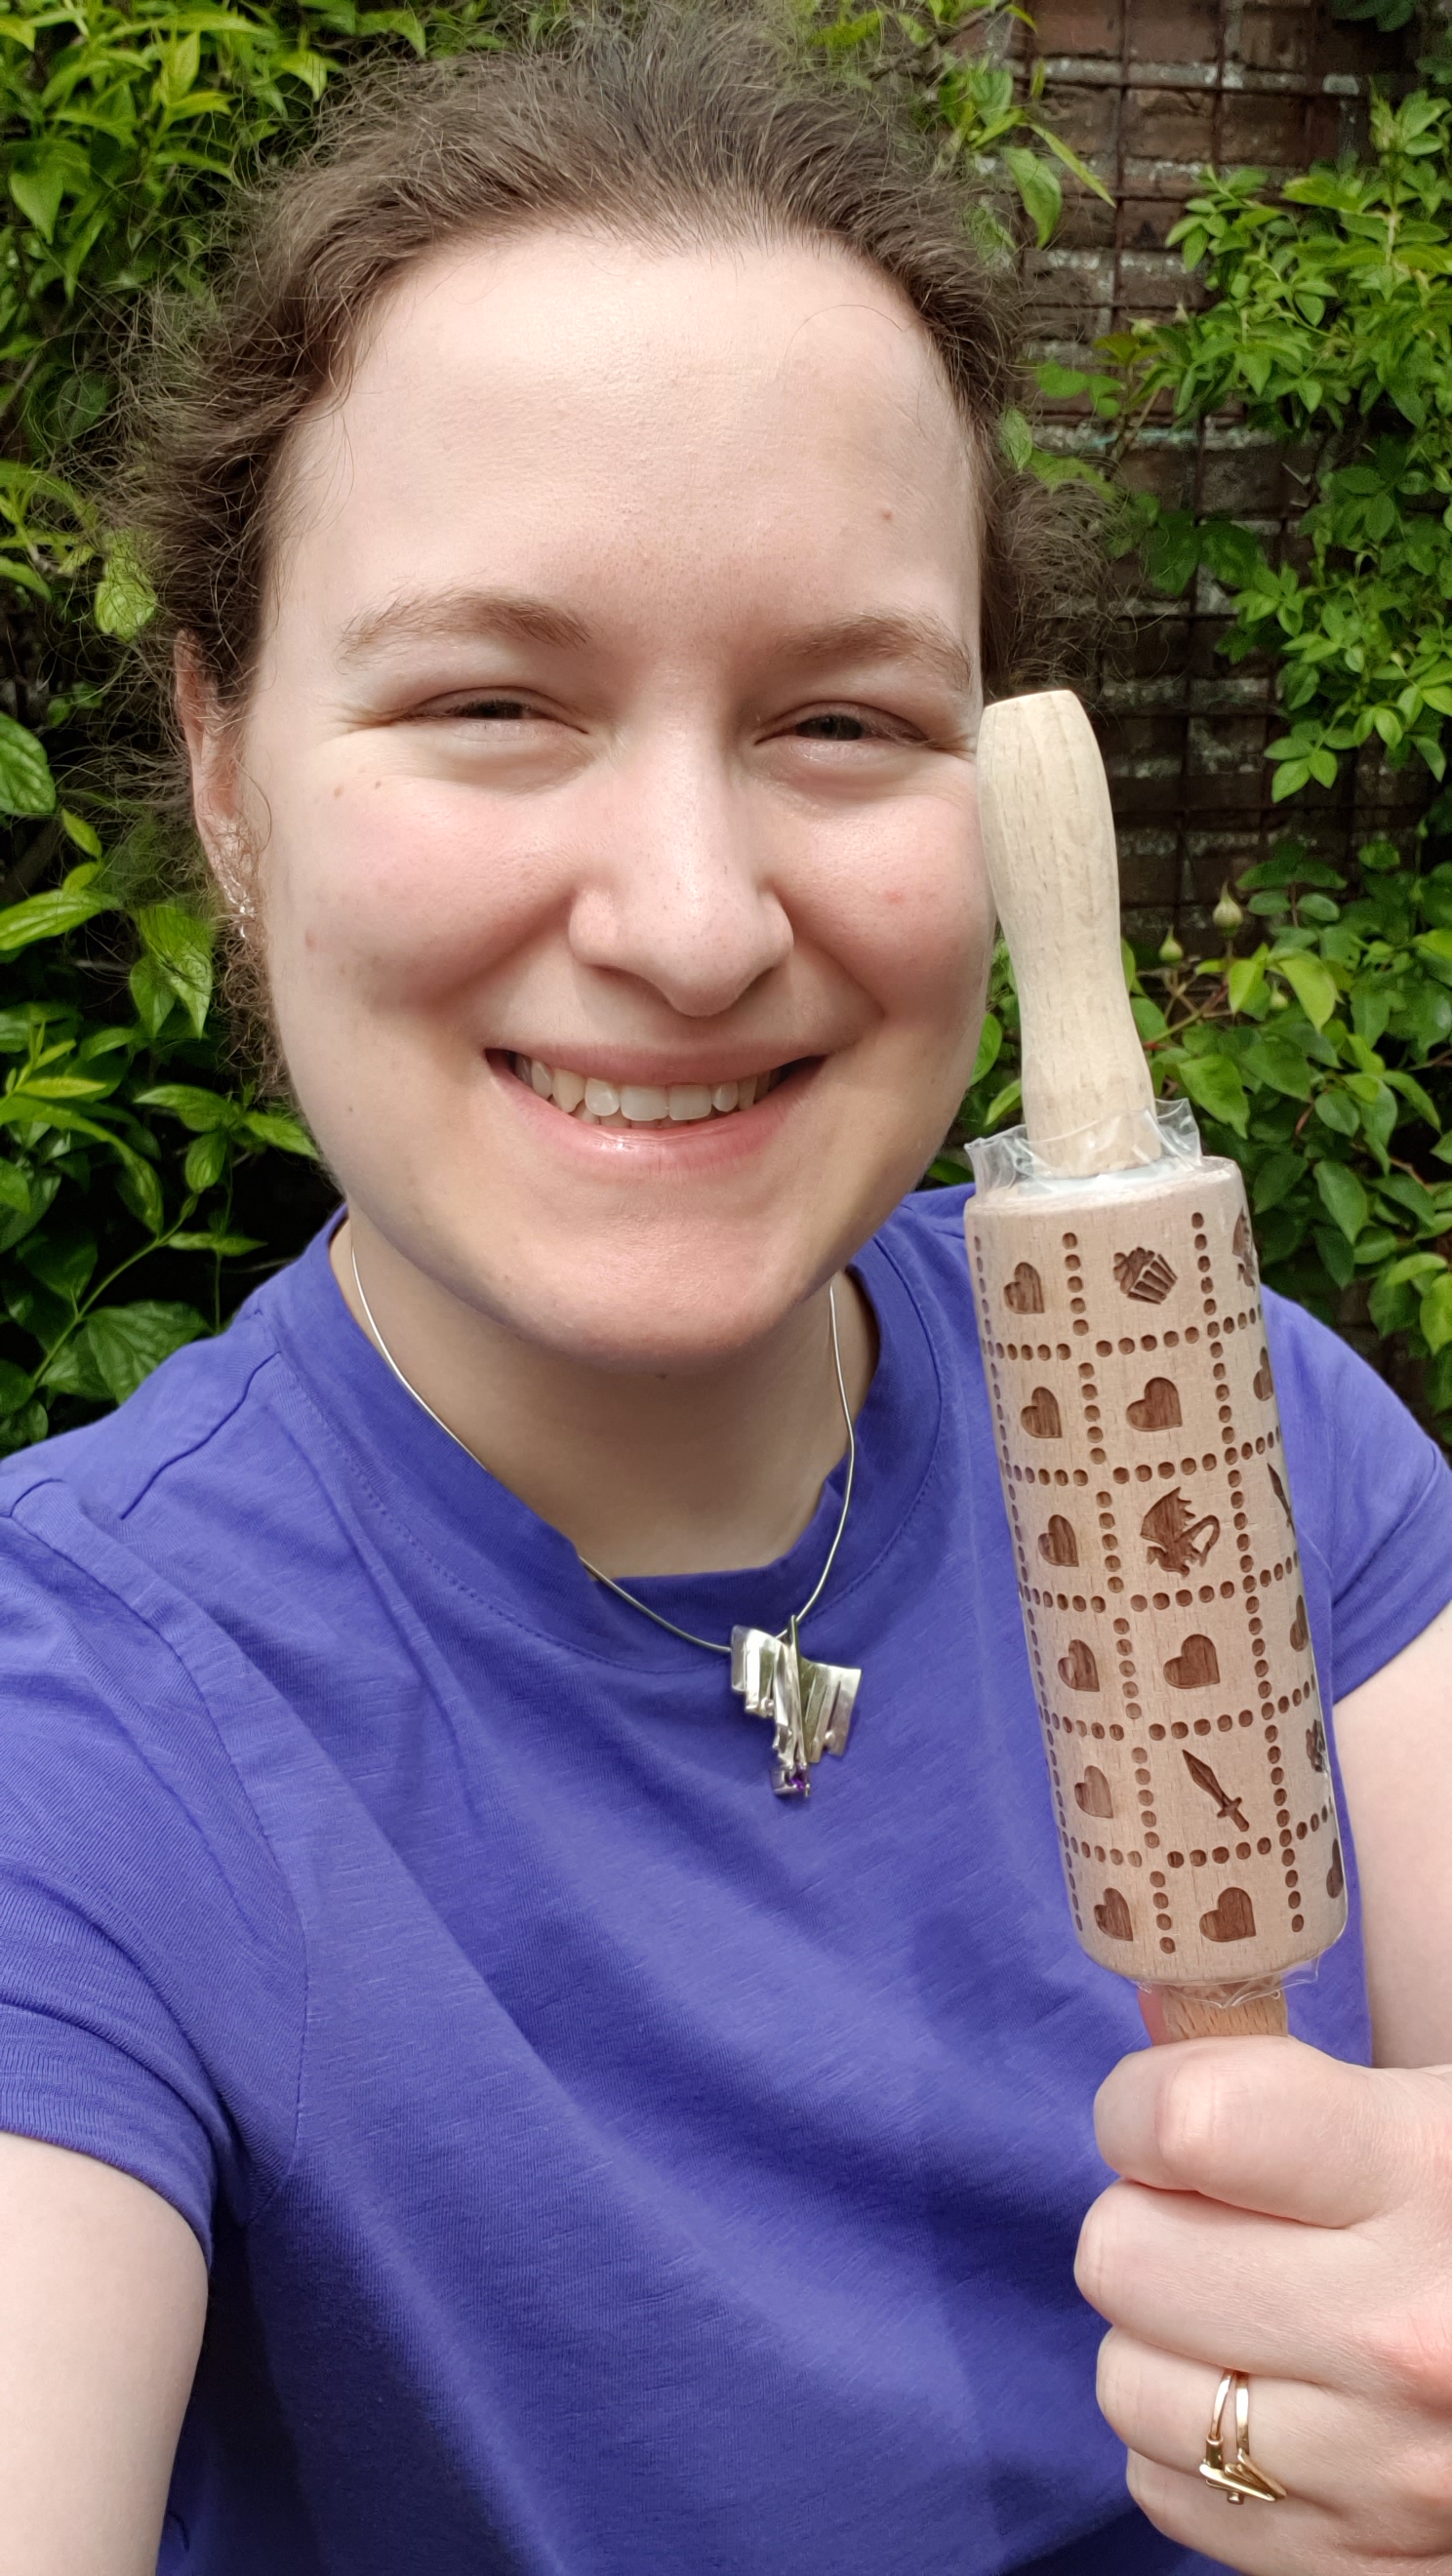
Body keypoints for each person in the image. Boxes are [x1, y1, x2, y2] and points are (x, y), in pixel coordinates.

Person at [1, 11, 1451, 2572]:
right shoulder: (79, 1722)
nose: (689, 922)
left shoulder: (1257, 1432)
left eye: (840, 718)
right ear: (225, 773)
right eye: (489, 700)